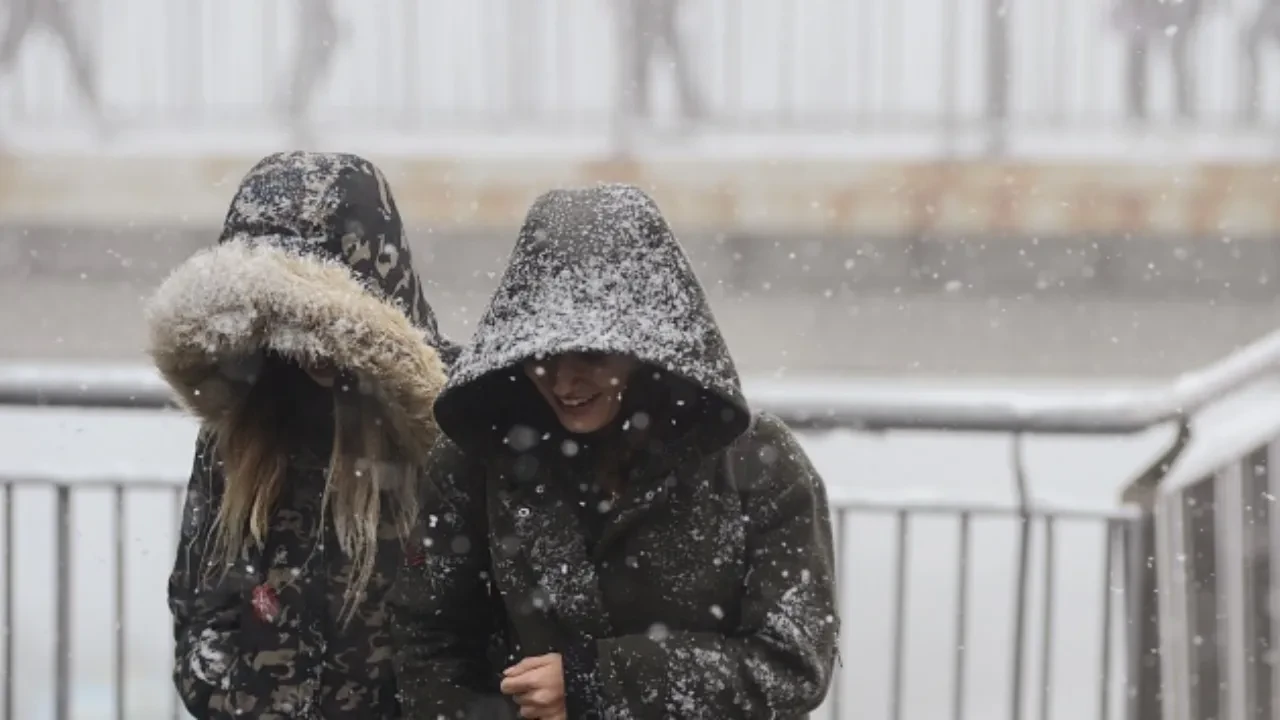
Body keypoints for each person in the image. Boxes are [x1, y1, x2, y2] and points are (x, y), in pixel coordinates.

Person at [390, 184, 840, 719]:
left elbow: (792, 663)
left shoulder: (760, 464)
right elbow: (431, 642)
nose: (562, 379)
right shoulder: (476, 459)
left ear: (649, 349)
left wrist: (597, 684)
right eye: (538, 355)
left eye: (590, 353)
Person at [149, 151, 456, 718]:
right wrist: (248, 700)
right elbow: (200, 613)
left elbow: (481, 632)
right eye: (288, 324)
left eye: (324, 325)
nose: (311, 347)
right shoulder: (245, 427)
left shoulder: (450, 430)